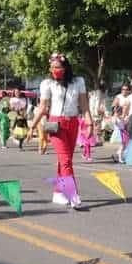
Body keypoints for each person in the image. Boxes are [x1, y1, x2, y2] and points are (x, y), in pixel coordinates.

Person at [29, 53, 92, 208]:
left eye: (57, 67)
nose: (54, 70)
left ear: (65, 67)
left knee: (66, 161)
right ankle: (73, 194)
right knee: (65, 161)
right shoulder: (47, 83)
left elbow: (84, 105)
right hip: (55, 124)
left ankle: (58, 193)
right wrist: (32, 127)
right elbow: (43, 107)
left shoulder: (78, 82)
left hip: (73, 123)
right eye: (52, 67)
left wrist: (90, 124)